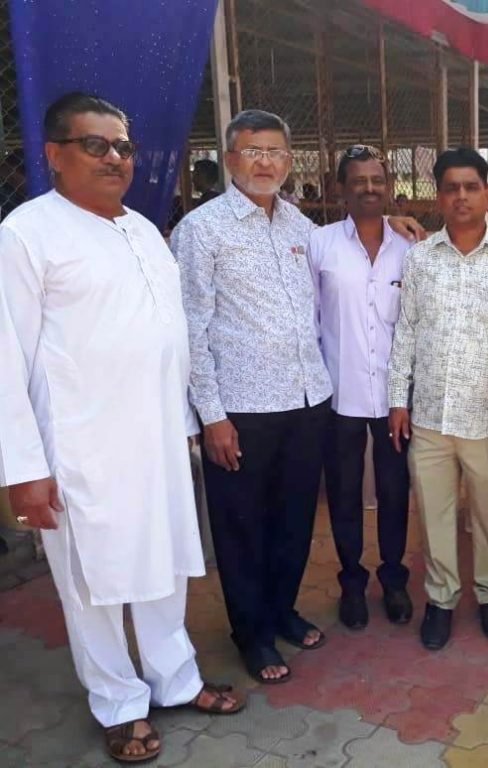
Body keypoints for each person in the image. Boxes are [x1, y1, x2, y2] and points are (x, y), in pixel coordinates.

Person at [0, 92, 242, 765]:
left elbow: (166, 337)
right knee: (94, 585)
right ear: (54, 155)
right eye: (95, 144)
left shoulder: (142, 230)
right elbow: (5, 359)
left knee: (163, 567)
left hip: (158, 440)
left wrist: (185, 422)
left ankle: (176, 679)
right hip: (80, 449)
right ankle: (118, 704)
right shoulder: (26, 235)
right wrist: (24, 469)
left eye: (123, 146)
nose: (114, 157)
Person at [172, 109, 333, 685]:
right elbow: (190, 329)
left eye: (275, 152)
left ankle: (281, 609)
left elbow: (344, 260)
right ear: (229, 159)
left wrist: (394, 223)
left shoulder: (300, 227)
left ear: (289, 161)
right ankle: (252, 633)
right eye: (252, 151)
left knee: (294, 519)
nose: (265, 162)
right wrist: (211, 416)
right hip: (241, 409)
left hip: (307, 400)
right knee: (243, 525)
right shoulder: (201, 230)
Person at [388, 147, 488, 651]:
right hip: (429, 416)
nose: (461, 196)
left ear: (487, 195)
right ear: (439, 196)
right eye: (451, 188)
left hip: (487, 417)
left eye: (471, 187)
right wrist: (398, 399)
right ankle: (441, 599)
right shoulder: (419, 258)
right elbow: (406, 330)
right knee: (435, 514)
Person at [309, 144, 413, 631]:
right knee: (345, 494)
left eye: (377, 180)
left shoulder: (410, 248)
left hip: (395, 401)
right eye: (359, 181)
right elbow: (309, 319)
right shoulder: (320, 245)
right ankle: (351, 581)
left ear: (388, 187)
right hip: (339, 395)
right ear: (341, 190)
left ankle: (393, 579)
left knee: (394, 491)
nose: (369, 188)